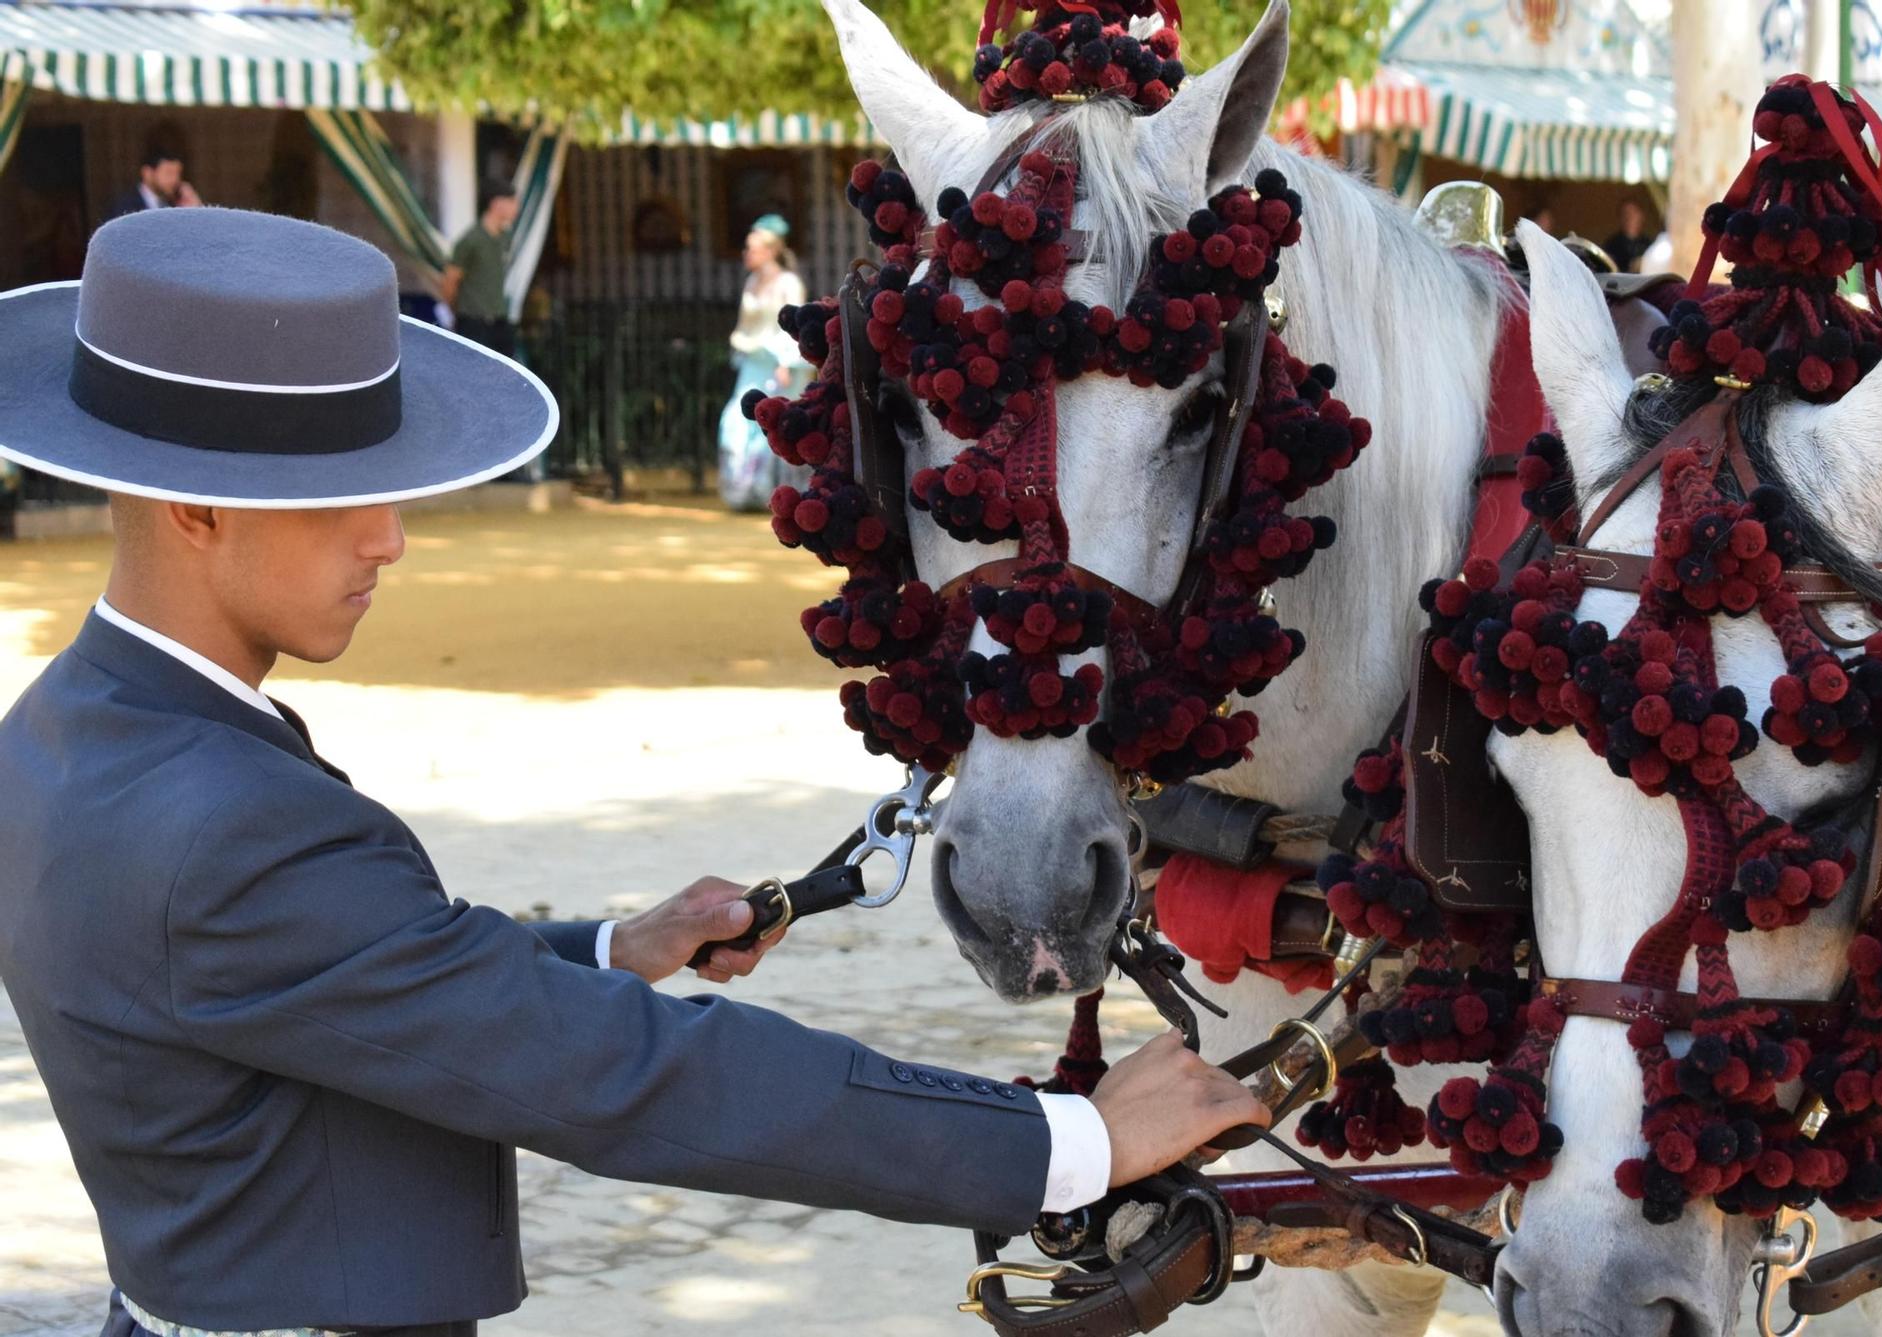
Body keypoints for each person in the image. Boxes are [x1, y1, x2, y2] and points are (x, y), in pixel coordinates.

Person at [0, 207, 1268, 1337]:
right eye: (344, 492)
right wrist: (1071, 1139)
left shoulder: (72, 731)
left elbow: (331, 976)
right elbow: (633, 1078)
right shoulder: (227, 822)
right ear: (196, 507)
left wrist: (610, 945)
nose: (390, 537)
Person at [718, 214, 813, 511]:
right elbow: (745, 327)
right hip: (753, 361)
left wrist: (784, 361)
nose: (747, 254)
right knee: (736, 420)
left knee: (774, 421)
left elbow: (792, 323)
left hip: (780, 364)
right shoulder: (751, 281)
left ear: (771, 250)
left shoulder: (789, 283)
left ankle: (773, 492)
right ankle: (743, 490)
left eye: (753, 248)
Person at [442, 179, 520, 357]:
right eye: (512, 201)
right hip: (473, 323)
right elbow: (450, 282)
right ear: (496, 203)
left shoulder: (505, 238)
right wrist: (459, 312)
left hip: (500, 320)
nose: (516, 207)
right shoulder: (471, 240)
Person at [102, 150, 200, 225]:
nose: (175, 179)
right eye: (169, 173)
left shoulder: (175, 205)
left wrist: (194, 211)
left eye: (178, 173)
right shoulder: (124, 206)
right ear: (147, 173)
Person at [1602, 197, 1657, 274]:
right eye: (1625, 213)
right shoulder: (1611, 245)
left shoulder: (1650, 245)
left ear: (1641, 216)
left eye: (1633, 213)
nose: (1629, 217)